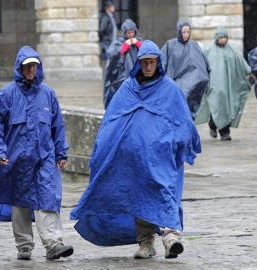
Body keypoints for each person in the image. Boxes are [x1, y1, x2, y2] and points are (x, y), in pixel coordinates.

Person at [70, 40, 201, 260]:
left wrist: (179, 145)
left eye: (152, 62)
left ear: (158, 63)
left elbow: (183, 123)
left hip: (162, 158)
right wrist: (102, 150)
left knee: (164, 191)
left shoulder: (169, 89)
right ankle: (146, 243)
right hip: (133, 161)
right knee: (140, 198)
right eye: (144, 62)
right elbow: (111, 122)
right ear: (138, 64)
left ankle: (170, 238)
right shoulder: (128, 89)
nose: (148, 66)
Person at [0, 46, 74, 261]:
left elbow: (57, 125)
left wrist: (61, 152)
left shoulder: (48, 94)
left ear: (38, 68)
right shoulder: (7, 94)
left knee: (48, 198)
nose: (31, 70)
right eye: (27, 66)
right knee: (19, 203)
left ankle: (54, 244)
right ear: (20, 68)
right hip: (17, 159)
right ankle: (24, 245)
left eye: (34, 66)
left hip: (43, 158)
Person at [195, 27, 252, 141]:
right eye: (221, 37)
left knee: (227, 108)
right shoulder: (209, 51)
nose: (223, 40)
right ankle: (216, 127)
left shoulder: (232, 51)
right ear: (217, 38)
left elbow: (241, 63)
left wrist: (249, 73)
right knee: (216, 107)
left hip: (228, 86)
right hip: (214, 86)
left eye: (225, 37)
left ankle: (224, 131)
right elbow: (202, 66)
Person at [161, 20, 210, 118]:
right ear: (179, 31)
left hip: (193, 85)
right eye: (184, 32)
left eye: (188, 32)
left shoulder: (194, 45)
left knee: (188, 110)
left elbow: (203, 63)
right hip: (175, 83)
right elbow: (162, 62)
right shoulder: (170, 45)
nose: (186, 35)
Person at [103, 18, 142, 108]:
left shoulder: (139, 42)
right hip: (122, 77)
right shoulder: (118, 43)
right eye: (128, 33)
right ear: (124, 33)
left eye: (132, 32)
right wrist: (124, 47)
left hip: (137, 76)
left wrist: (139, 44)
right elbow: (111, 54)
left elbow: (147, 52)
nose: (131, 35)